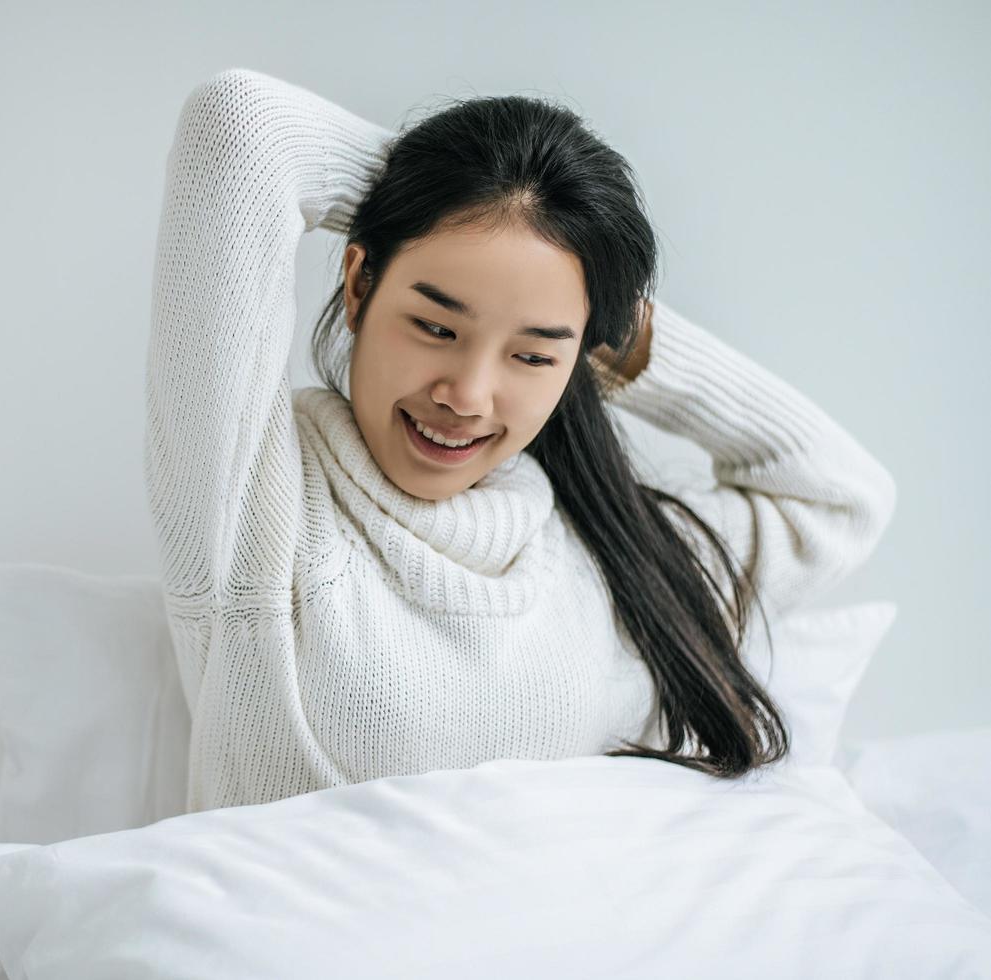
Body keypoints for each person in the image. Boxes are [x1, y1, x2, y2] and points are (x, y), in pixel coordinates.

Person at [145, 67, 897, 814]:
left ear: (582, 360)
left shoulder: (620, 556)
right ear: (358, 284)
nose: (466, 395)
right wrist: (458, 195)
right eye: (435, 327)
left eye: (533, 355)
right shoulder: (253, 505)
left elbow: (842, 496)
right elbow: (240, 126)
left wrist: (606, 304)